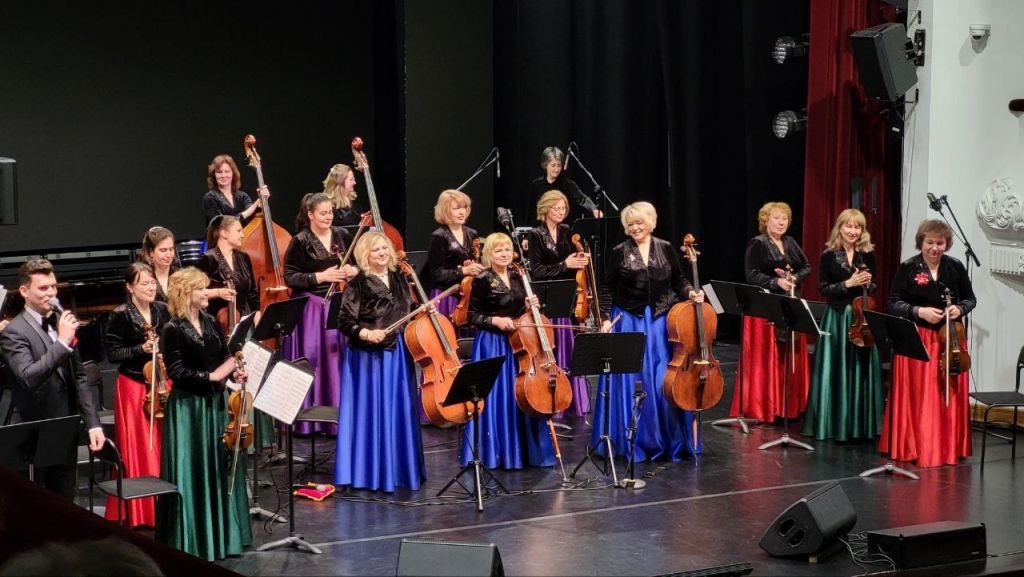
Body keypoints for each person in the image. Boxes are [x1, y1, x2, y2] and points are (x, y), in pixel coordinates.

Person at [595, 202, 702, 461]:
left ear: (651, 223)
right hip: (628, 320)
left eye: (639, 223)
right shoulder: (619, 252)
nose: (635, 228)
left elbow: (679, 280)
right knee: (633, 378)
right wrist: (605, 319)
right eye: (630, 224)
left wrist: (691, 292)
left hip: (660, 322)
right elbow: (607, 288)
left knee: (662, 378)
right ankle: (632, 442)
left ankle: (668, 439)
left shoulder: (665, 248)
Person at [156, 267, 251, 561]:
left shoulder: (210, 321)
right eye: (201, 289)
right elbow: (176, 372)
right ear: (185, 293)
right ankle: (194, 540)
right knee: (194, 469)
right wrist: (212, 376)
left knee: (219, 467)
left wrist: (234, 372)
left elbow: (225, 356)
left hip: (215, 406)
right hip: (189, 409)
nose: (206, 293)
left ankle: (223, 536)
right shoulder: (172, 329)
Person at [0, 259, 104, 499]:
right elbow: (28, 377)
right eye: (43, 288)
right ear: (24, 291)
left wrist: (93, 424)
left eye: (53, 287)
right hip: (33, 433)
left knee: (66, 499)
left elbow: (79, 376)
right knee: (35, 504)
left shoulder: (60, 322)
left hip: (65, 429)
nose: (51, 293)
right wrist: (62, 343)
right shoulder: (14, 332)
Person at [881, 219, 976, 468]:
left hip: (950, 338)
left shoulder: (955, 266)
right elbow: (893, 303)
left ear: (947, 244)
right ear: (921, 242)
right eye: (930, 242)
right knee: (921, 394)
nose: (935, 248)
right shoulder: (908, 267)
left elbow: (970, 299)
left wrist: (960, 308)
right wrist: (918, 311)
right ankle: (916, 446)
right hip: (919, 338)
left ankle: (946, 447)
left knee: (946, 392)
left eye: (940, 243)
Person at [335, 232, 425, 491]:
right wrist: (366, 333)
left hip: (398, 352)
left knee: (399, 409)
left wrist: (421, 311)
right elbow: (344, 321)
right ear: (366, 255)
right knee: (373, 412)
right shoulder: (358, 283)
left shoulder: (399, 277)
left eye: (385, 248)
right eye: (376, 250)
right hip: (369, 357)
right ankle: (371, 472)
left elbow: (406, 308)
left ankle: (399, 470)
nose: (383, 253)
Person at [464, 232, 556, 470]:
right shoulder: (483, 279)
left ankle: (526, 452)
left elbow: (521, 310)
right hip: (493, 342)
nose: (504, 254)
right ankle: (496, 453)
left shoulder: (518, 275)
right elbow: (471, 316)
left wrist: (528, 306)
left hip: (520, 341)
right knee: (498, 395)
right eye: (498, 250)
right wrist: (494, 320)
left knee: (522, 391)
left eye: (507, 249)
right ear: (489, 254)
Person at [802, 209, 884, 441]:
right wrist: (848, 283)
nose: (853, 231)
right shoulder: (828, 256)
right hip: (837, 317)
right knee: (835, 368)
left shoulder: (867, 255)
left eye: (857, 227)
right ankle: (832, 425)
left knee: (860, 367)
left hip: (861, 317)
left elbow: (874, 286)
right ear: (840, 228)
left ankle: (860, 427)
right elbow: (823, 288)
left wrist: (868, 283)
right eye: (848, 226)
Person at [102, 263, 172, 527]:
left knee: (162, 441)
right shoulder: (119, 315)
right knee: (141, 445)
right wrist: (141, 348)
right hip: (133, 386)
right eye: (144, 283)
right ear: (130, 287)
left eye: (152, 282)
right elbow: (113, 354)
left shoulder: (161, 309)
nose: (151, 287)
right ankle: (144, 510)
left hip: (161, 382)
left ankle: (165, 501)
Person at [729, 201, 812, 423]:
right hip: (764, 308)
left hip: (788, 304)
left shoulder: (790, 242)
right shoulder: (758, 243)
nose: (781, 222)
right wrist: (777, 282)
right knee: (768, 357)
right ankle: (765, 407)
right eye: (776, 218)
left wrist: (793, 278)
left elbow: (807, 267)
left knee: (788, 354)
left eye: (784, 218)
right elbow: (751, 275)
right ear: (766, 220)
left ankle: (786, 407)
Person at [282, 193, 358, 434]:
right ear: (310, 215)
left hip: (339, 303)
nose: (328, 217)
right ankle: (309, 421)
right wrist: (320, 276)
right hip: (311, 310)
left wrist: (353, 270)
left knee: (336, 359)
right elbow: (290, 277)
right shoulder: (300, 240)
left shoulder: (342, 235)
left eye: (330, 212)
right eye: (323, 213)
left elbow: (357, 263)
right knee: (315, 359)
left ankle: (339, 414)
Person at [525, 190, 591, 417]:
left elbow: (574, 264)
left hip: (566, 295)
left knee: (568, 345)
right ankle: (549, 395)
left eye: (563, 208)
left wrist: (581, 260)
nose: (561, 212)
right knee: (550, 344)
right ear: (545, 209)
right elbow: (537, 270)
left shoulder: (567, 231)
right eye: (556, 208)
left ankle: (572, 400)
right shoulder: (536, 234)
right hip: (545, 296)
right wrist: (565, 265)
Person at [196, 215, 261, 333]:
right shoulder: (207, 259)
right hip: (217, 324)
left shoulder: (244, 257)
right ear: (224, 233)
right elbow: (193, 292)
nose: (243, 235)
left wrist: (258, 327)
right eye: (238, 231)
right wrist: (218, 292)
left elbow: (253, 294)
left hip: (244, 322)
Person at [427, 189, 483, 319]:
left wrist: (473, 266)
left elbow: (475, 262)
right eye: (456, 208)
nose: (462, 212)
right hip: (446, 296)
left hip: (467, 293)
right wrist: (463, 270)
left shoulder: (472, 233)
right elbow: (436, 274)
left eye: (464, 207)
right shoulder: (439, 236)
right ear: (445, 211)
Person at [528, 146, 603, 221]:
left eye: (559, 165)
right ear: (545, 165)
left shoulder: (568, 184)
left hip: (563, 226)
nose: (556, 169)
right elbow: (530, 211)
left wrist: (594, 209)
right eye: (553, 165)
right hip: (541, 226)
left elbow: (582, 199)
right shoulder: (536, 185)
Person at [201, 154, 269, 227]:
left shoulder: (242, 196)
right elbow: (222, 224)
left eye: (227, 171)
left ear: (233, 173)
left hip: (244, 234)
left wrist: (262, 200)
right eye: (219, 172)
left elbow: (253, 215)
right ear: (214, 175)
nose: (223, 175)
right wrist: (254, 205)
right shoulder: (210, 197)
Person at [139, 227, 177, 302]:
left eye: (171, 249)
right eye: (163, 250)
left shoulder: (181, 274)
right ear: (151, 252)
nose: (169, 255)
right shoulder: (141, 277)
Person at [322, 163, 365, 227]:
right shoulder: (327, 205)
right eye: (351, 179)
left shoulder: (355, 201)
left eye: (354, 179)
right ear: (340, 182)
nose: (355, 182)